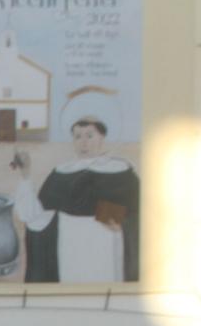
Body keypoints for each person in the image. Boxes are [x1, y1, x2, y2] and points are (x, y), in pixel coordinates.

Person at [11, 109, 141, 284]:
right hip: (70, 244)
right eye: (78, 136)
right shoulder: (61, 172)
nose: (83, 143)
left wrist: (120, 223)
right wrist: (26, 175)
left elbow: (139, 213)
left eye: (89, 136)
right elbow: (39, 217)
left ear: (102, 137)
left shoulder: (120, 170)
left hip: (106, 244)